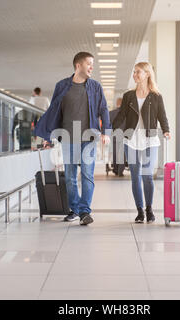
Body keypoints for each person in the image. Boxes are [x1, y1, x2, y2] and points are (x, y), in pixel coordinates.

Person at [34, 52, 111, 226]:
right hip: (68, 138)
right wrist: (49, 135)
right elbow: (54, 111)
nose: (92, 67)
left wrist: (106, 131)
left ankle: (85, 211)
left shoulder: (95, 87)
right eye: (89, 63)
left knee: (87, 174)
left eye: (93, 64)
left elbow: (104, 109)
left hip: (89, 137)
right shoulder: (62, 86)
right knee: (69, 176)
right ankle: (74, 209)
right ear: (78, 65)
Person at [113, 62, 170, 224]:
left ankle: (149, 209)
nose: (135, 75)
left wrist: (166, 129)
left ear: (147, 74)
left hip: (150, 139)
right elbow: (121, 115)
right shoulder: (128, 96)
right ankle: (139, 211)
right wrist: (109, 130)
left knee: (147, 175)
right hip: (130, 139)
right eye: (134, 72)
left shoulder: (156, 96)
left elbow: (162, 115)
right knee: (135, 177)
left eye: (138, 72)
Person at [109, 97, 126, 176]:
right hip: (125, 136)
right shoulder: (127, 113)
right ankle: (120, 170)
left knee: (115, 153)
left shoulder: (111, 113)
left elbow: (108, 125)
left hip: (115, 136)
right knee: (123, 153)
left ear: (117, 104)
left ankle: (115, 169)